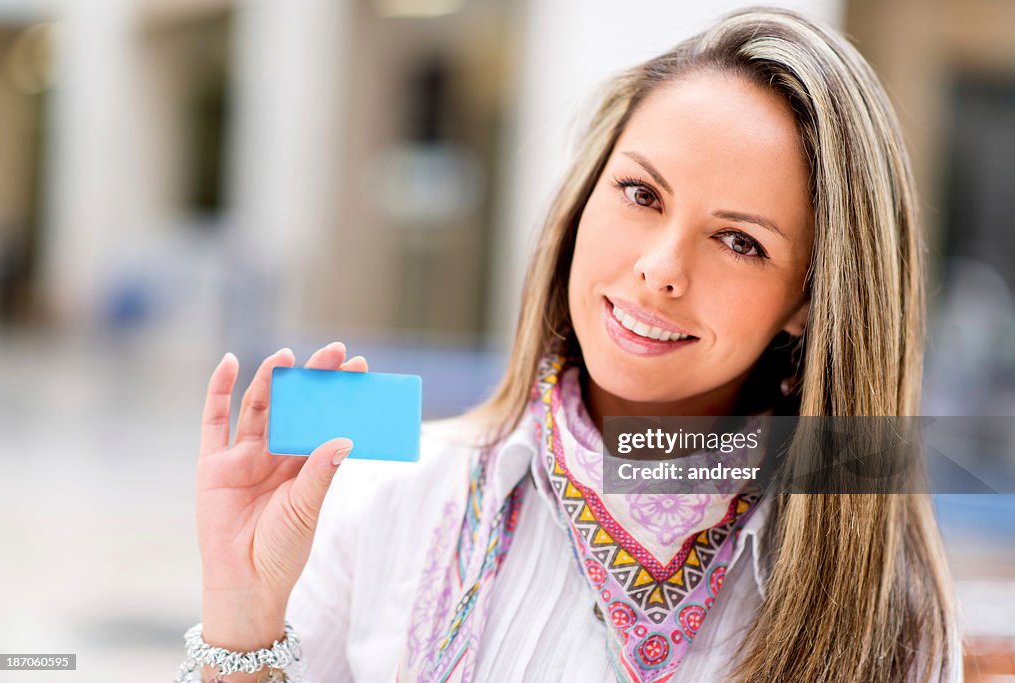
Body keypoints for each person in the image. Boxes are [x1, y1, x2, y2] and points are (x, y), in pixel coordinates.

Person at [176, 7, 961, 682]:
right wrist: (242, 620)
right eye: (641, 193)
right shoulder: (391, 493)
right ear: (586, 194)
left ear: (809, 301)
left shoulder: (882, 600)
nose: (660, 270)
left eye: (740, 242)